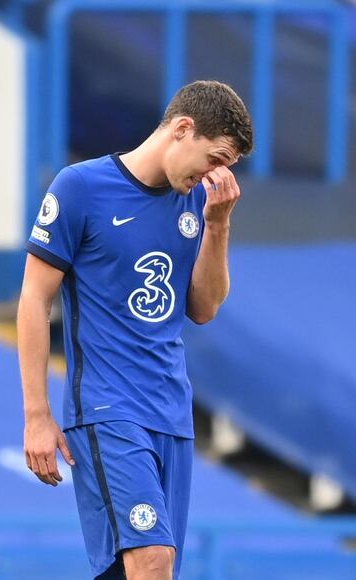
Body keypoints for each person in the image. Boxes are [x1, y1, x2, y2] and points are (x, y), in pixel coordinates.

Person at [18, 80, 253, 580]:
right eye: (214, 159)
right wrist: (36, 414)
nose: (214, 175)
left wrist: (218, 226)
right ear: (182, 129)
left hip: (172, 413)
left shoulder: (197, 203)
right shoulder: (80, 187)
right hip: (107, 408)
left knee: (132, 569)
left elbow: (204, 308)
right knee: (152, 559)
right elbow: (34, 297)